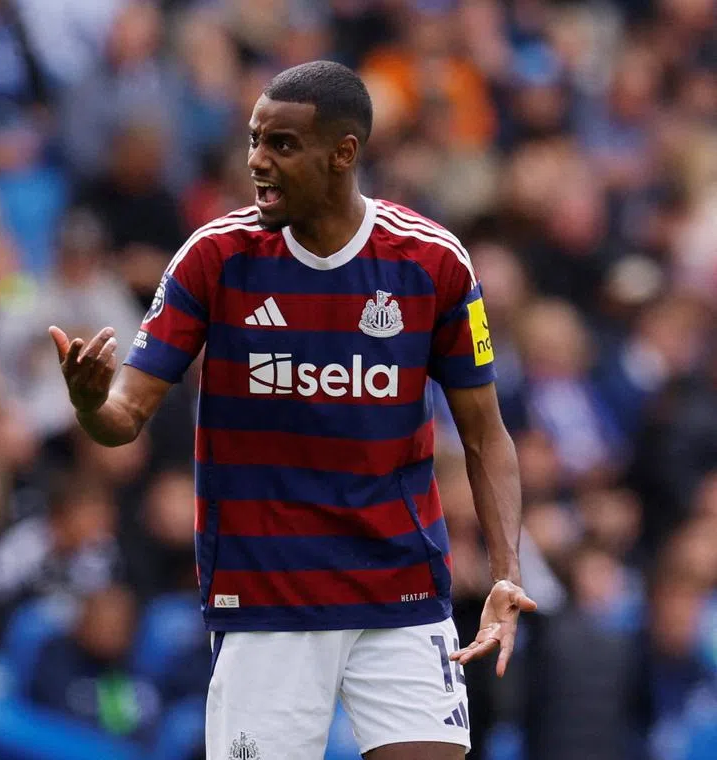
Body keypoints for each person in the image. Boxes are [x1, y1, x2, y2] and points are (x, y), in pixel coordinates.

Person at [49, 60, 536, 760]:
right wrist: (90, 402)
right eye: (254, 140)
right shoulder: (214, 258)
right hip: (266, 600)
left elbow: (486, 435)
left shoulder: (432, 264)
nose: (256, 161)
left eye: (281, 144)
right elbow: (123, 417)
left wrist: (506, 569)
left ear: (343, 153)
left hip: (399, 590)